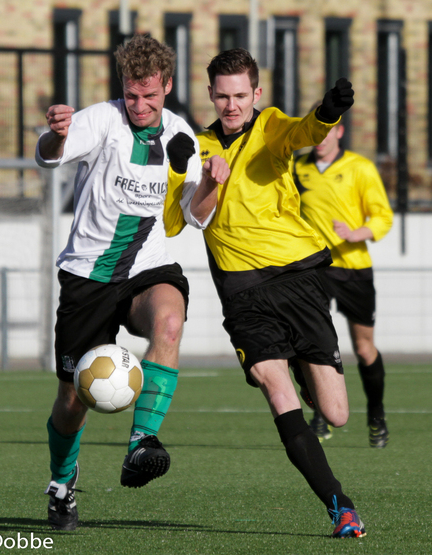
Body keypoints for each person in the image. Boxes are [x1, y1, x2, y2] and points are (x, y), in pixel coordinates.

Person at [169, 48, 366, 538]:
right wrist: (189, 175)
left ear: (256, 94)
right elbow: (180, 220)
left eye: (240, 95)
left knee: (337, 415)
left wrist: (328, 112)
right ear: (211, 95)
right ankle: (340, 505)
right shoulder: (197, 146)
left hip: (299, 281)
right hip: (243, 295)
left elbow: (305, 132)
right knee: (276, 391)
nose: (231, 105)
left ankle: (303, 364)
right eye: (222, 96)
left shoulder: (272, 126)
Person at [35, 34, 229, 531]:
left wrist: (210, 183)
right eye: (131, 94)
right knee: (72, 398)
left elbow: (195, 217)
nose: (139, 105)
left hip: (147, 265)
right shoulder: (104, 118)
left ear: (166, 85)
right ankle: (62, 482)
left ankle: (142, 443)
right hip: (88, 275)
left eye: (149, 95)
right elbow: (48, 155)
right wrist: (56, 131)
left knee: (169, 320)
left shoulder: (182, 135)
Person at [294, 116, 393, 448]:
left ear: (339, 131)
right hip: (314, 270)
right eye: (316, 131)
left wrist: (355, 233)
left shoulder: (360, 168)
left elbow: (382, 216)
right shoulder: (296, 169)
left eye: (328, 130)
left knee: (364, 349)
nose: (321, 137)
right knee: (314, 343)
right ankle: (321, 415)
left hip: (353, 269)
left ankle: (376, 417)